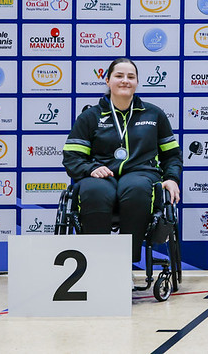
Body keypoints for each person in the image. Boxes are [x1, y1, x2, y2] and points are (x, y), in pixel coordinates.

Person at [62, 58, 182, 263]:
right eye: (119, 76)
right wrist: (91, 168)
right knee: (94, 190)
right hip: (101, 174)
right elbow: (72, 157)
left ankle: (125, 264)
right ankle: (96, 263)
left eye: (131, 76)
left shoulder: (154, 114)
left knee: (136, 188)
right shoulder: (90, 117)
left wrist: (171, 178)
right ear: (108, 81)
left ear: (136, 82)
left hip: (142, 174)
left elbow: (171, 155)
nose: (125, 80)